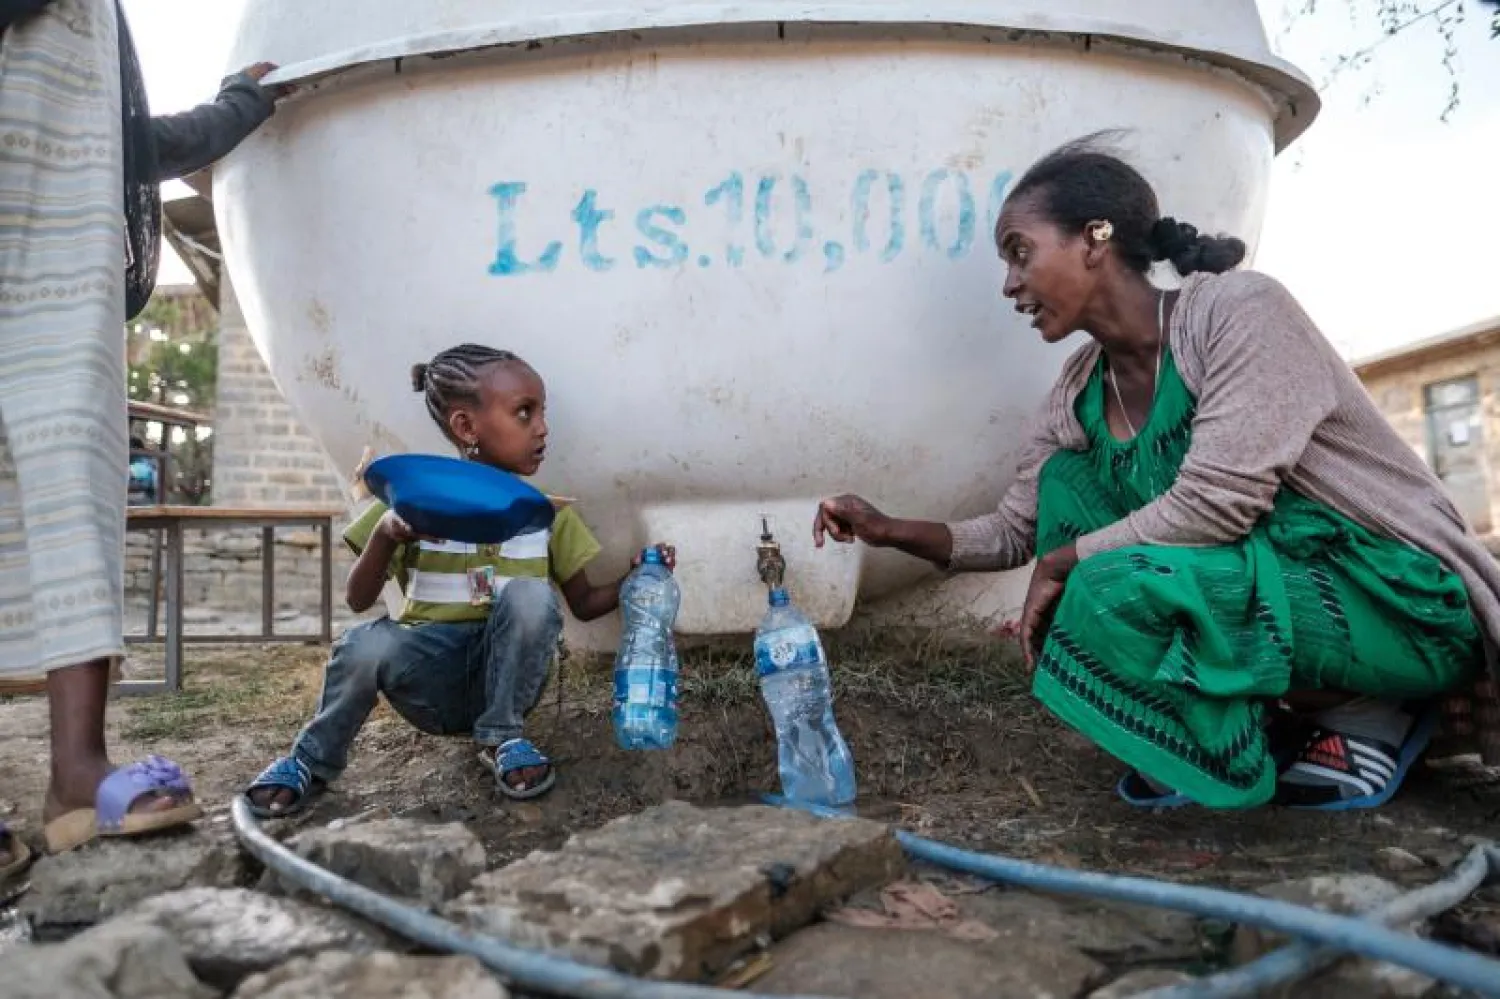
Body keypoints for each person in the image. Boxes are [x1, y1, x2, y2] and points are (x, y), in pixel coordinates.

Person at [813, 135, 1500, 811]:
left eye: (1020, 251)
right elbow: (1014, 530)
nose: (1009, 284)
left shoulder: (1239, 313)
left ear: (1094, 237)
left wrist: (1065, 564)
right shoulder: (1077, 392)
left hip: (1392, 601)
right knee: (1067, 488)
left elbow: (1217, 504)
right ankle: (1248, 725)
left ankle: (1375, 707)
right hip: (1265, 589)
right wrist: (886, 527)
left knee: (1107, 582)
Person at [0, 0, 285, 868]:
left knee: (70, 462)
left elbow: (127, 146)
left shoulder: (91, 18)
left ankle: (76, 773)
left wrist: (239, 106)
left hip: (58, 260)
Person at [245, 345, 676, 815]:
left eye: (541, 412)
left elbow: (585, 603)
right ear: (466, 427)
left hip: (505, 685)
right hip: (427, 678)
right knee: (364, 644)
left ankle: (502, 740)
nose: (542, 428)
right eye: (524, 413)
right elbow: (357, 597)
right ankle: (310, 760)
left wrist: (639, 576)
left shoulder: (548, 516)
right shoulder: (413, 500)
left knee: (532, 595)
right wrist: (387, 534)